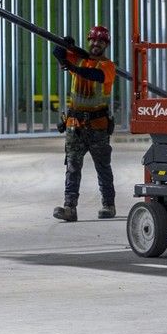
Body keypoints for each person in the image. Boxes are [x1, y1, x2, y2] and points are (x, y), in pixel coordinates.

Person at [51, 25, 116, 222]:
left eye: (100, 41)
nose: (96, 44)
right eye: (93, 40)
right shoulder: (79, 58)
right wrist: (65, 43)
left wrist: (71, 66)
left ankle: (108, 205)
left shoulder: (107, 66)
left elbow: (94, 76)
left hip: (97, 126)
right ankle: (69, 208)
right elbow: (57, 51)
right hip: (75, 125)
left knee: (103, 167)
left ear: (106, 44)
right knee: (72, 167)